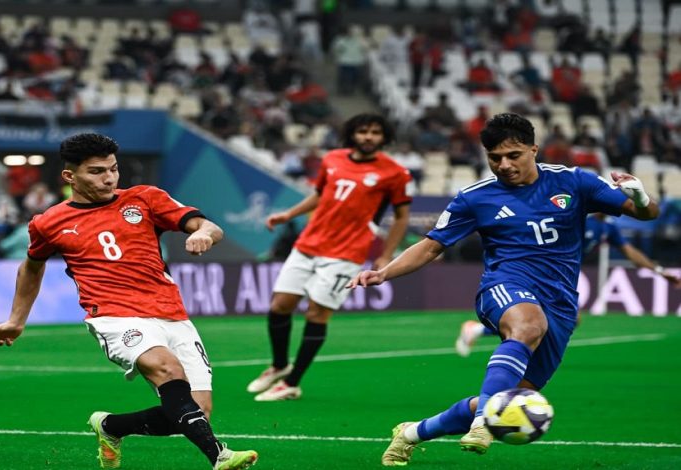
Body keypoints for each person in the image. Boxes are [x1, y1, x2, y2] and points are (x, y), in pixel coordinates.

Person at [348, 113, 660, 464]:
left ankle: (412, 432)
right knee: (527, 326)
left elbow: (646, 212)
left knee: (509, 400)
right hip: (504, 286)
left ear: (533, 150)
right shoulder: (475, 198)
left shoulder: (574, 181)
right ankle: (482, 423)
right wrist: (384, 273)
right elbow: (432, 246)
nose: (504, 165)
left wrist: (639, 195)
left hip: (560, 304)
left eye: (514, 155)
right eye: (495, 158)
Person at [0, 133, 258, 470]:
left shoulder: (145, 198)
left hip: (171, 313)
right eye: (96, 172)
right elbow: (31, 268)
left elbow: (209, 226)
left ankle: (111, 426)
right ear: (69, 176)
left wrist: (202, 233)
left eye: (113, 169)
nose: (108, 178)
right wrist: (16, 320)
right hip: (114, 316)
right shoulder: (48, 223)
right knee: (166, 367)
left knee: (196, 413)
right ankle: (220, 456)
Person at [246, 113, 412, 401]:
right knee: (279, 305)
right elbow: (319, 195)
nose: (369, 137)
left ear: (384, 137)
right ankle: (279, 365)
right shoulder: (332, 159)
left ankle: (292, 383)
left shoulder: (394, 173)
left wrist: (386, 255)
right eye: (363, 131)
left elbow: (401, 217)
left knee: (317, 313)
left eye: (375, 132)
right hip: (308, 243)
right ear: (352, 134)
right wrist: (289, 214)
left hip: (346, 253)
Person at [455, 211, 681, 357]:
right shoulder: (576, 217)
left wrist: (659, 271)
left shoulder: (608, 226)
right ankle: (511, 353)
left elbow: (629, 252)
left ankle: (481, 332)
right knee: (542, 319)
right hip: (538, 270)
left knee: (569, 318)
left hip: (561, 275)